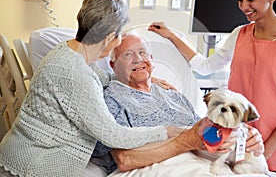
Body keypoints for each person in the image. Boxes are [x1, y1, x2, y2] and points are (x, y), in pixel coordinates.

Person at [0, 0, 188, 177]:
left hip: (25, 151)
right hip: (32, 164)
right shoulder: (75, 73)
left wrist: (142, 77)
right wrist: (167, 131)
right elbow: (113, 135)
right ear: (109, 38)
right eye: (119, 38)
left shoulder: (72, 51)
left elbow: (102, 77)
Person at [148, 0, 276, 176]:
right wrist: (172, 35)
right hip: (235, 146)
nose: (244, 6)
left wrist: (264, 153)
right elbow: (205, 66)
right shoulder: (239, 34)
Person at [90, 31, 265, 175]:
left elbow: (204, 132)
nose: (138, 59)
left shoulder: (173, 95)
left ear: (151, 59)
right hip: (156, 166)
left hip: (207, 162)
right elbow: (125, 159)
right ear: (113, 65)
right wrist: (185, 142)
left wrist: (244, 136)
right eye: (128, 54)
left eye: (143, 52)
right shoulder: (111, 98)